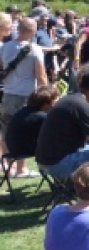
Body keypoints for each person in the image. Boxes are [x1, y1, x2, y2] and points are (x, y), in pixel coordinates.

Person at [0, 16, 48, 177]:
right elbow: (41, 77)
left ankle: (8, 167)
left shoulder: (4, 47)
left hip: (7, 95)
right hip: (25, 97)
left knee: (7, 132)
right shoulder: (35, 50)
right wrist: (47, 94)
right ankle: (21, 168)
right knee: (24, 133)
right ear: (32, 31)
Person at [3, 86, 59, 176]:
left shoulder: (23, 111)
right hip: (25, 150)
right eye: (56, 100)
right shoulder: (41, 117)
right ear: (47, 104)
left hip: (12, 149)